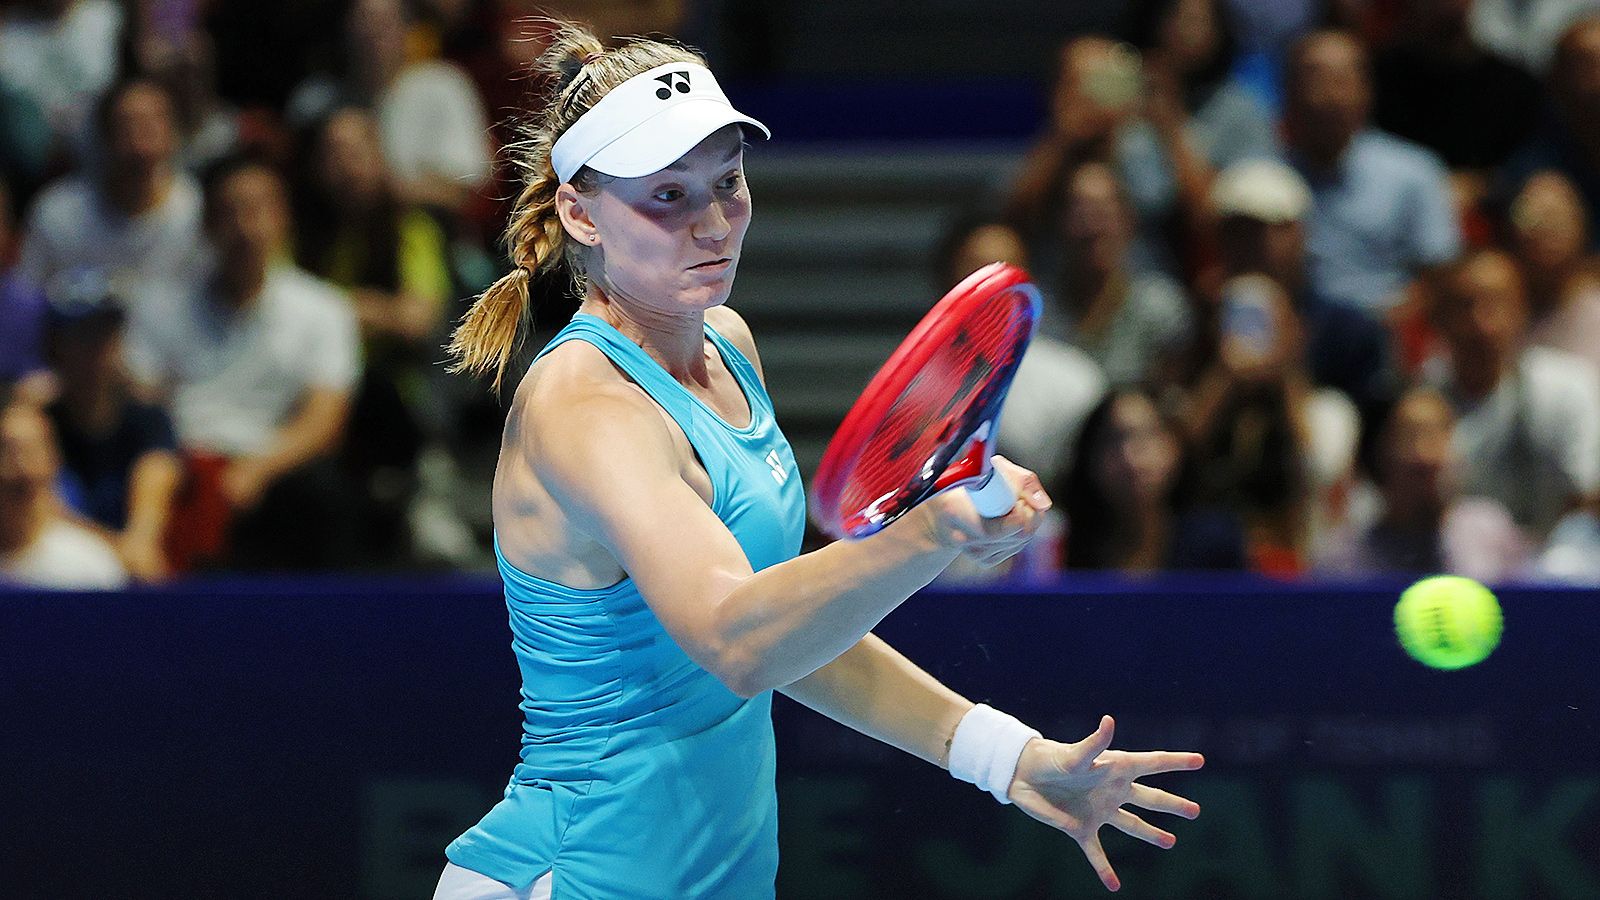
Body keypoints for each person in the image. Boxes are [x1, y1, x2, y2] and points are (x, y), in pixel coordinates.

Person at [435, 23, 1204, 900]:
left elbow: (792, 632)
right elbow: (737, 641)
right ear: (581, 213)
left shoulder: (727, 345)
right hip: (570, 876)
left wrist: (1007, 757)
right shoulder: (586, 406)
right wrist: (931, 531)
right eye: (668, 195)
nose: (712, 224)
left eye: (727, 183)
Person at [125, 156, 362, 571]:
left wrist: (258, 468)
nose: (245, 228)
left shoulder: (325, 308)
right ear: (206, 225)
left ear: (283, 218)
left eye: (258, 209)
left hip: (274, 471)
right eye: (229, 212)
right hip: (180, 468)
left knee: (325, 494)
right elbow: (143, 402)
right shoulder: (161, 308)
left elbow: (324, 420)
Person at [1422, 248, 1600, 538]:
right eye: (1465, 306)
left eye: (1496, 303)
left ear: (1522, 311)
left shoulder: (1567, 388)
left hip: (1552, 555)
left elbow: (1585, 495)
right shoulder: (1419, 402)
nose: (1481, 323)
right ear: (1438, 318)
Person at [1283, 29, 1461, 319]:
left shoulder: (1414, 172)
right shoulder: (1267, 177)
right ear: (1289, 94)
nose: (1329, 96)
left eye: (1341, 81)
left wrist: (1383, 325)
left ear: (1366, 93)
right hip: (1296, 328)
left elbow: (1441, 274)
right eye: (1315, 79)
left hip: (1389, 327)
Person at [936, 215, 1107, 487]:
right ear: (947, 282)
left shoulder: (1077, 381)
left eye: (1004, 270)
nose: (990, 287)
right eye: (976, 271)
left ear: (1029, 283)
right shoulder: (905, 392)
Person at [16, 78, 206, 303]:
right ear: (105, 136)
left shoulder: (193, 207)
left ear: (174, 133)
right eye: (129, 125)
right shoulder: (57, 213)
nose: (141, 141)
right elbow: (26, 298)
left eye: (153, 123)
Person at [1315, 385, 1531, 581]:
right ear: (1378, 456)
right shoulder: (1344, 557)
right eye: (1410, 437)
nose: (1427, 456)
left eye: (1439, 434)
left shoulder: (1492, 531)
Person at [42, 274, 179, 582]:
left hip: (132, 574)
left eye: (106, 332)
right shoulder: (38, 424)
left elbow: (147, 522)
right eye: (82, 335)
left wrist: (133, 549)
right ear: (55, 346)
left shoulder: (150, 421)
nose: (97, 348)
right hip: (56, 578)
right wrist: (118, 551)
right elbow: (42, 513)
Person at [1058, 386, 1247, 573]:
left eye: (1145, 436)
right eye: (1112, 439)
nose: (1129, 457)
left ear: (1175, 446)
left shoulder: (1215, 541)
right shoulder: (1062, 544)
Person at [0, 393, 127, 589]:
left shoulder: (90, 565)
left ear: (53, 461)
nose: (21, 468)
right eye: (6, 452)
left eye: (31, 452)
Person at [1509, 170, 1600, 373]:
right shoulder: (1499, 319)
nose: (1546, 232)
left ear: (1580, 226)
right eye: (1534, 221)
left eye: (1556, 219)